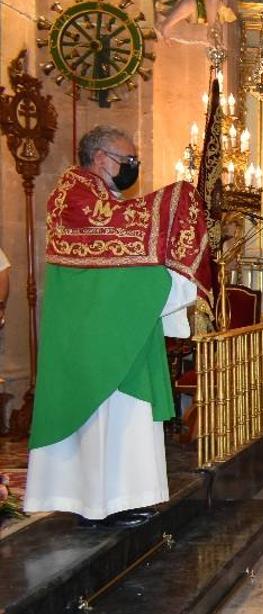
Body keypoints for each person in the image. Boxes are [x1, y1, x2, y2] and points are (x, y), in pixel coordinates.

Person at [27, 126, 208, 527]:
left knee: (126, 420)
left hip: (118, 326)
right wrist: (174, 201)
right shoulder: (73, 195)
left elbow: (127, 244)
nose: (133, 167)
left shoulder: (104, 198)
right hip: (93, 335)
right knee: (101, 421)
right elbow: (118, 241)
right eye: (128, 160)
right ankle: (96, 505)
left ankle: (123, 499)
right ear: (100, 158)